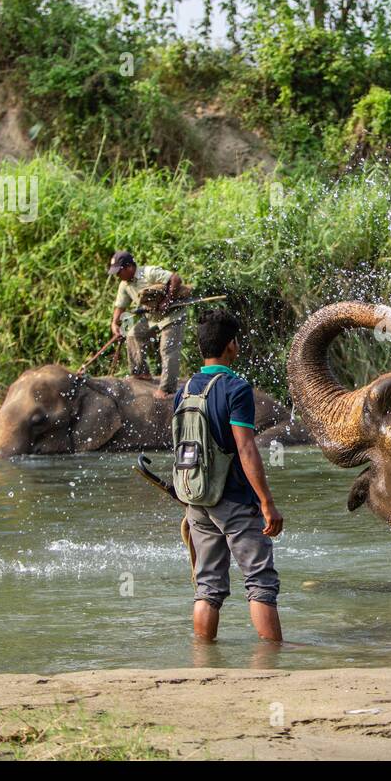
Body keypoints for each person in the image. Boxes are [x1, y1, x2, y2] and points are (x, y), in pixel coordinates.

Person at [174, 309, 285, 642]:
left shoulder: (186, 389)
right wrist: (266, 502)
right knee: (260, 580)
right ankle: (272, 657)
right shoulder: (236, 389)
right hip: (234, 498)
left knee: (208, 586)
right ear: (230, 346)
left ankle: (204, 657)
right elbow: (246, 449)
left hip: (197, 497)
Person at [108, 250, 187, 399]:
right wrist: (114, 324)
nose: (117, 275)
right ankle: (140, 373)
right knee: (133, 334)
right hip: (152, 317)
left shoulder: (149, 273)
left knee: (167, 348)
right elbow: (120, 306)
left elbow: (175, 279)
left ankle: (167, 389)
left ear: (130, 267)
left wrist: (167, 300)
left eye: (119, 271)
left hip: (172, 315)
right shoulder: (124, 285)